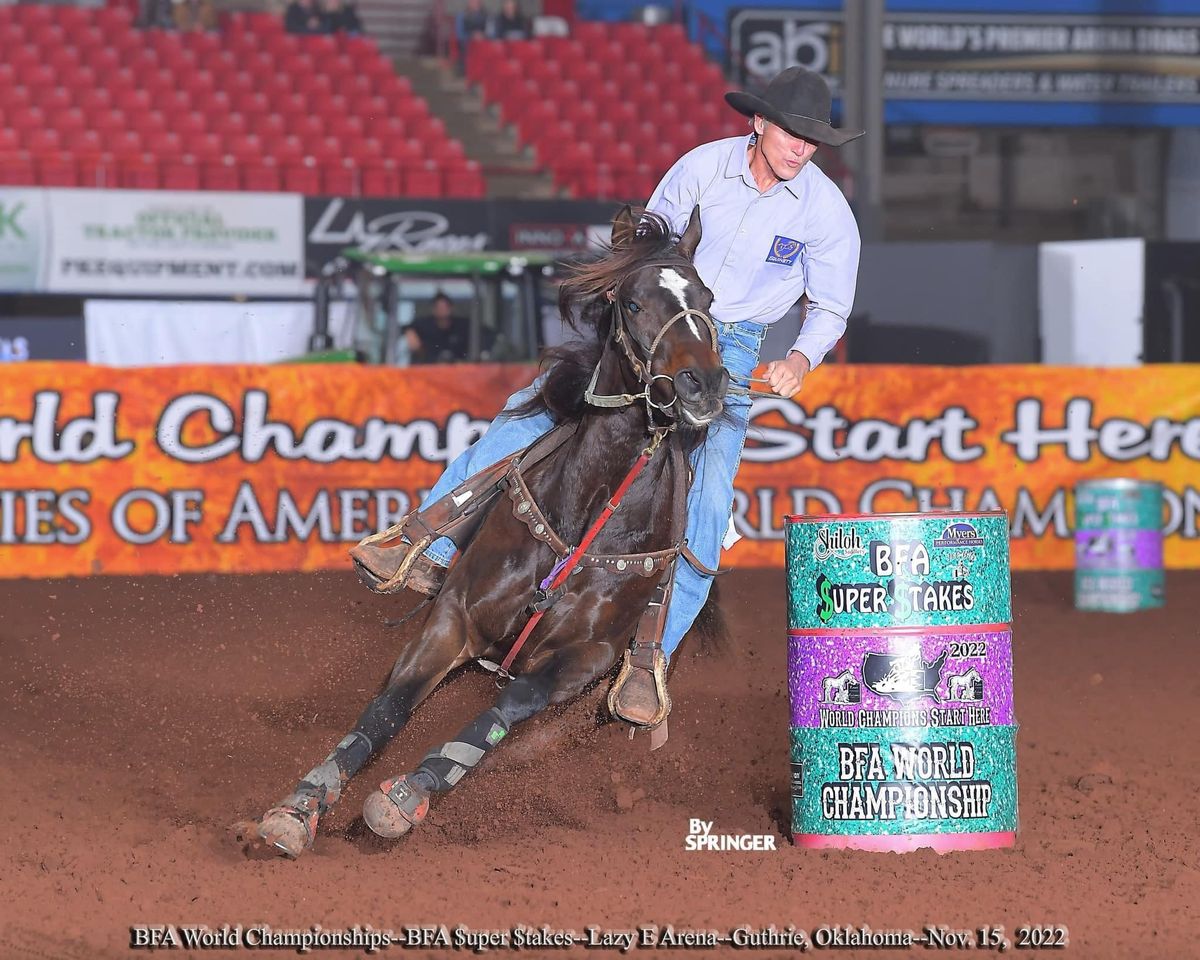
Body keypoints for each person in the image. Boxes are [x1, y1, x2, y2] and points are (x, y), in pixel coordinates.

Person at [367, 67, 863, 727]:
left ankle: (648, 656)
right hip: (658, 318)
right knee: (534, 409)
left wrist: (801, 357)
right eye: (793, 133)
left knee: (710, 503)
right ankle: (422, 541)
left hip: (731, 345)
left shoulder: (825, 210)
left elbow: (830, 305)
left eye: (813, 140)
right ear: (760, 123)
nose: (802, 148)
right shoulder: (702, 169)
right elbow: (648, 240)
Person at [405, 292, 471, 364]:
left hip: (457, 370)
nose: (442, 310)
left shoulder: (462, 326)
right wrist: (410, 333)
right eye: (438, 307)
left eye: (445, 307)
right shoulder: (424, 325)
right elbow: (408, 328)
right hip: (429, 369)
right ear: (433, 309)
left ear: (451, 308)